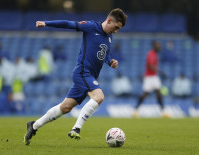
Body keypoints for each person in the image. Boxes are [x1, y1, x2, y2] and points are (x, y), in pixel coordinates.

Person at [24, 8, 127, 145]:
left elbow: (105, 53)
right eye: (116, 27)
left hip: (90, 75)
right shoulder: (91, 27)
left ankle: (34, 125)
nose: (116, 31)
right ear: (109, 20)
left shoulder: (109, 37)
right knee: (99, 97)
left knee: (65, 107)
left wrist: (110, 61)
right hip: (83, 72)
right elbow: (69, 24)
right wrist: (46, 23)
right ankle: (76, 128)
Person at [133, 41, 167, 117]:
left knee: (158, 93)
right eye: (158, 45)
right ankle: (135, 110)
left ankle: (163, 112)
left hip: (154, 76)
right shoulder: (151, 54)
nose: (159, 47)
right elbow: (150, 66)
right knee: (145, 94)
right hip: (149, 77)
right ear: (154, 45)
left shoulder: (155, 54)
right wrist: (161, 72)